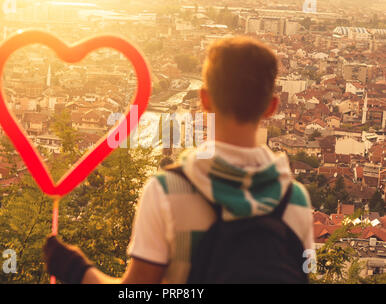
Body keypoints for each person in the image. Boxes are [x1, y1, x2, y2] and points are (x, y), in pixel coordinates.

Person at [43, 36, 314, 284]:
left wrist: (75, 268)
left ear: (204, 100)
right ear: (272, 107)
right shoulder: (296, 200)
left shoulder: (167, 192)